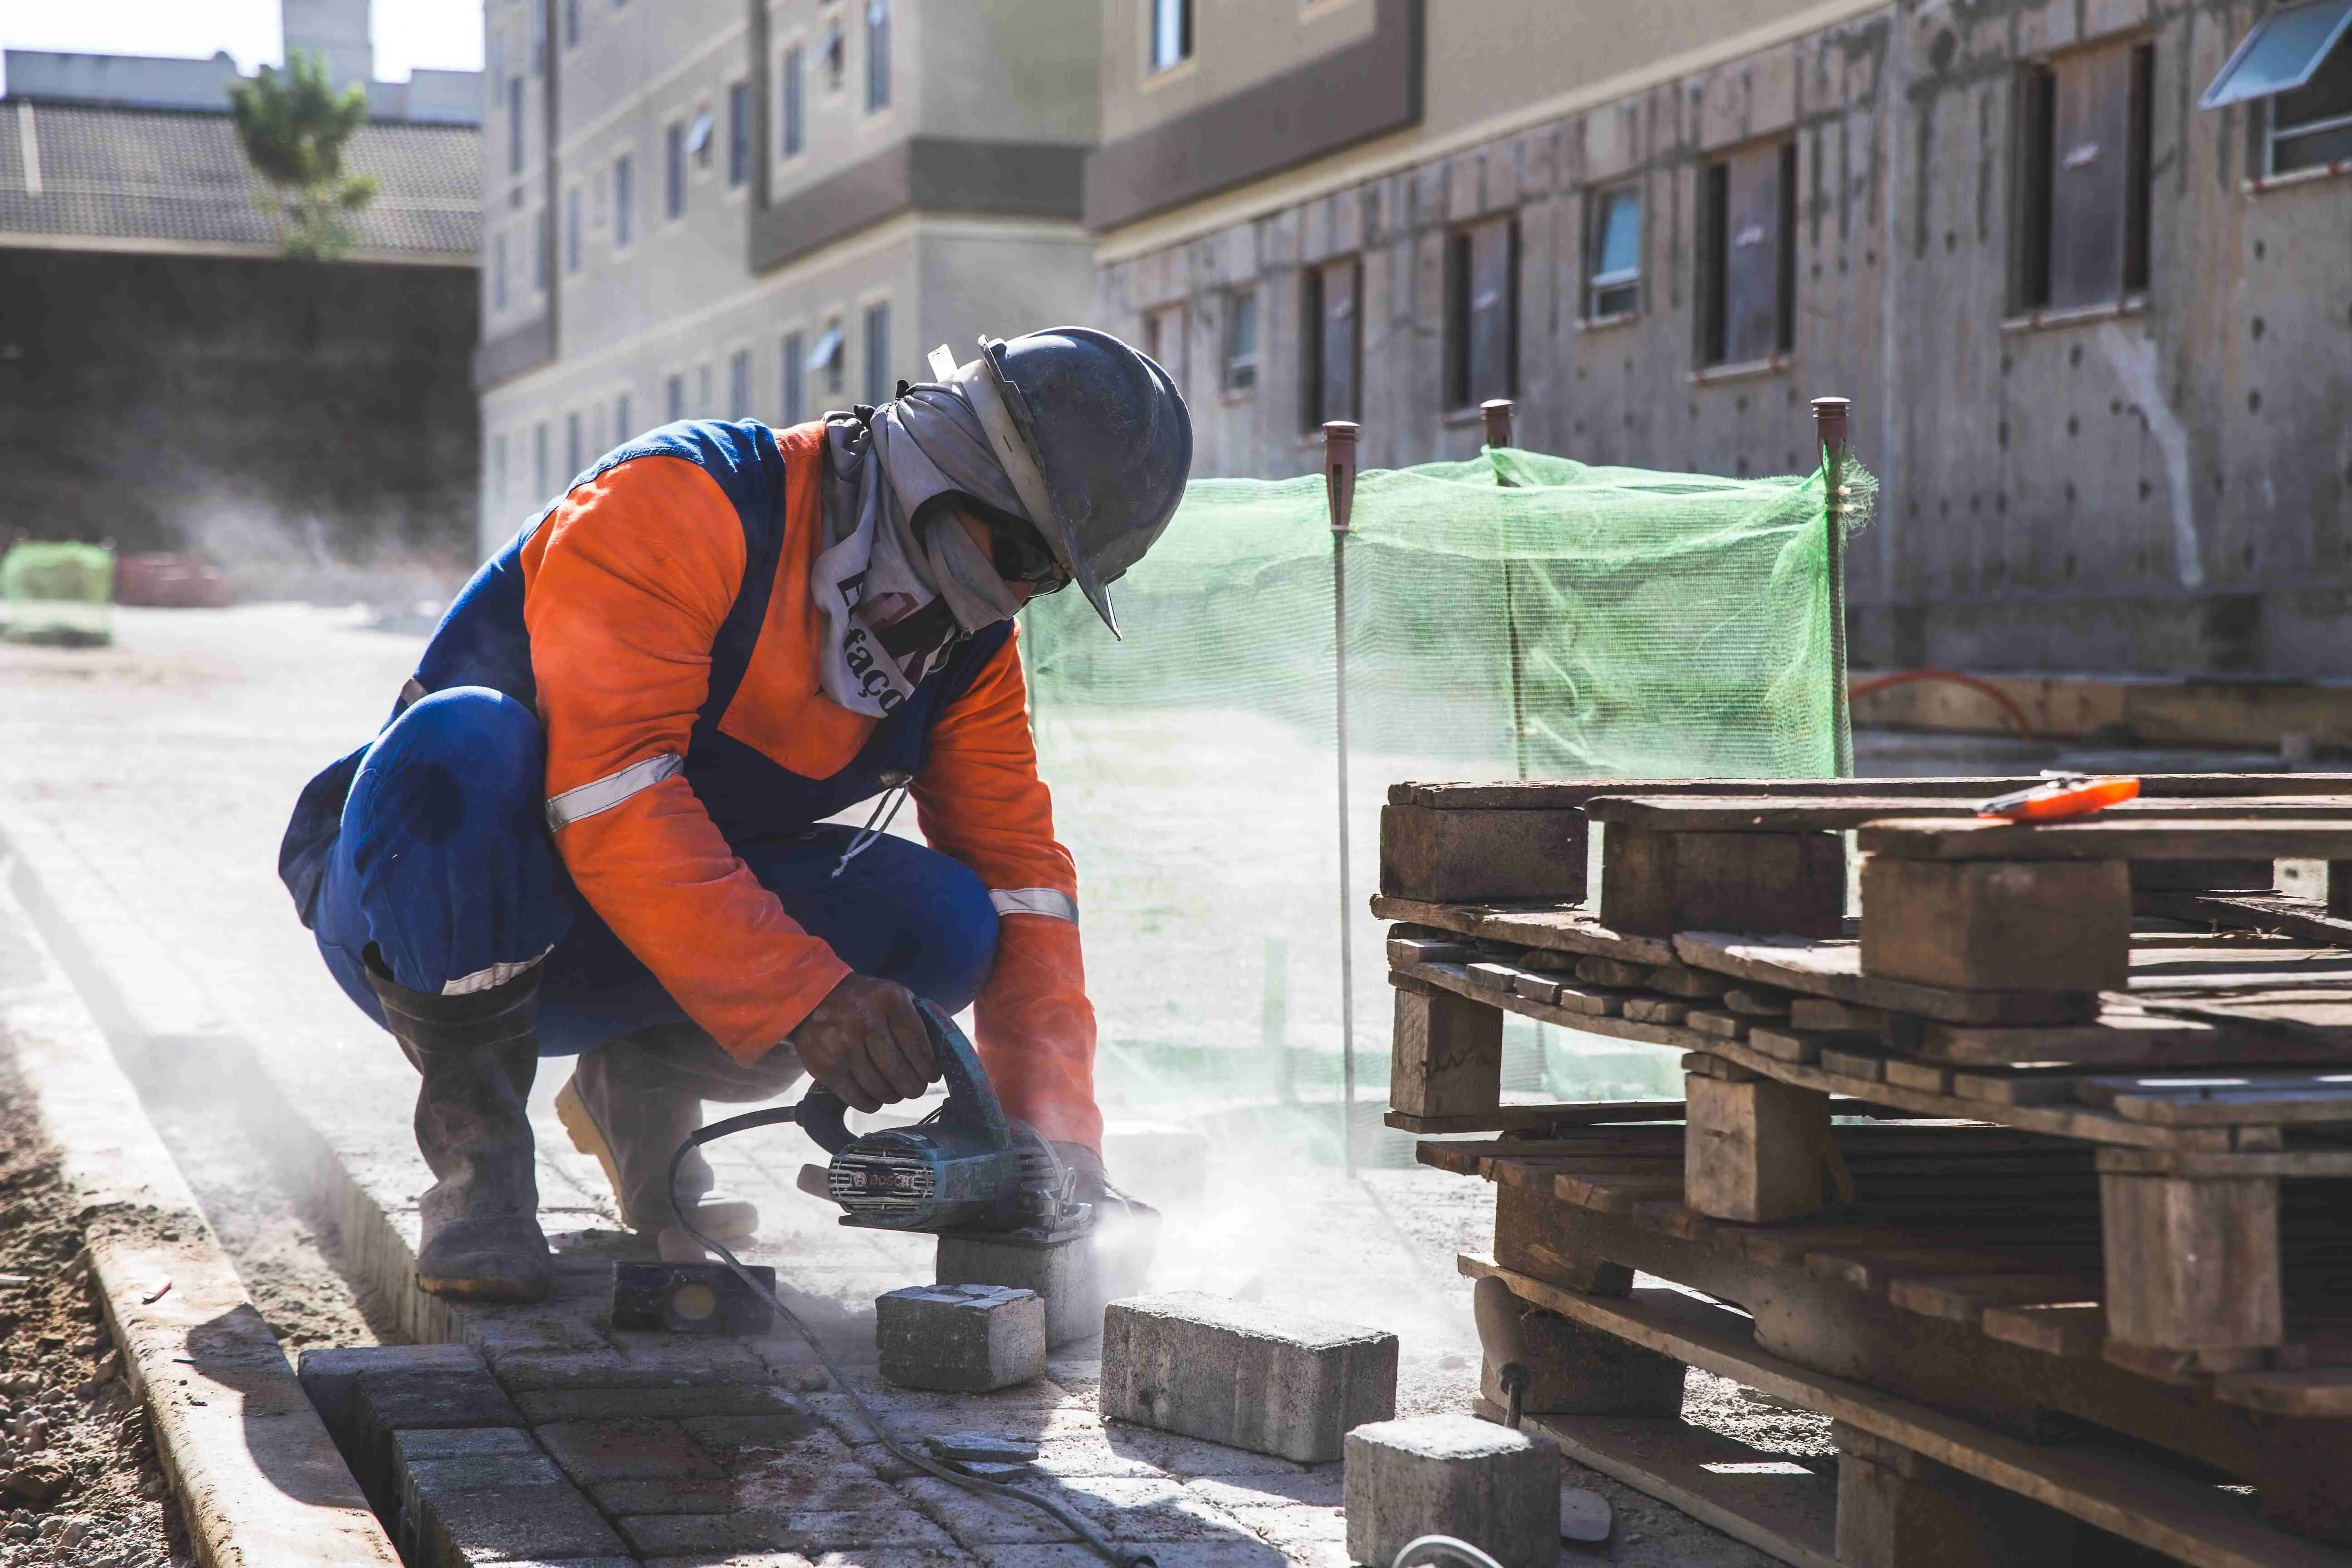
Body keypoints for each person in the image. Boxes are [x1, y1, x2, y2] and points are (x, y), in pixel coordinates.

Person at [277, 328, 1190, 1301]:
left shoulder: (966, 659)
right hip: (419, 915)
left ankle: (641, 1087)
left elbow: (1023, 882)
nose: (1012, 598)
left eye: (1047, 581)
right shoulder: (683, 502)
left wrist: (1055, 1144)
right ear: (945, 471)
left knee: (951, 923)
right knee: (464, 743)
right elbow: (615, 798)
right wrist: (806, 995)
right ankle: (480, 1173)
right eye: (1016, 556)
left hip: (620, 950)